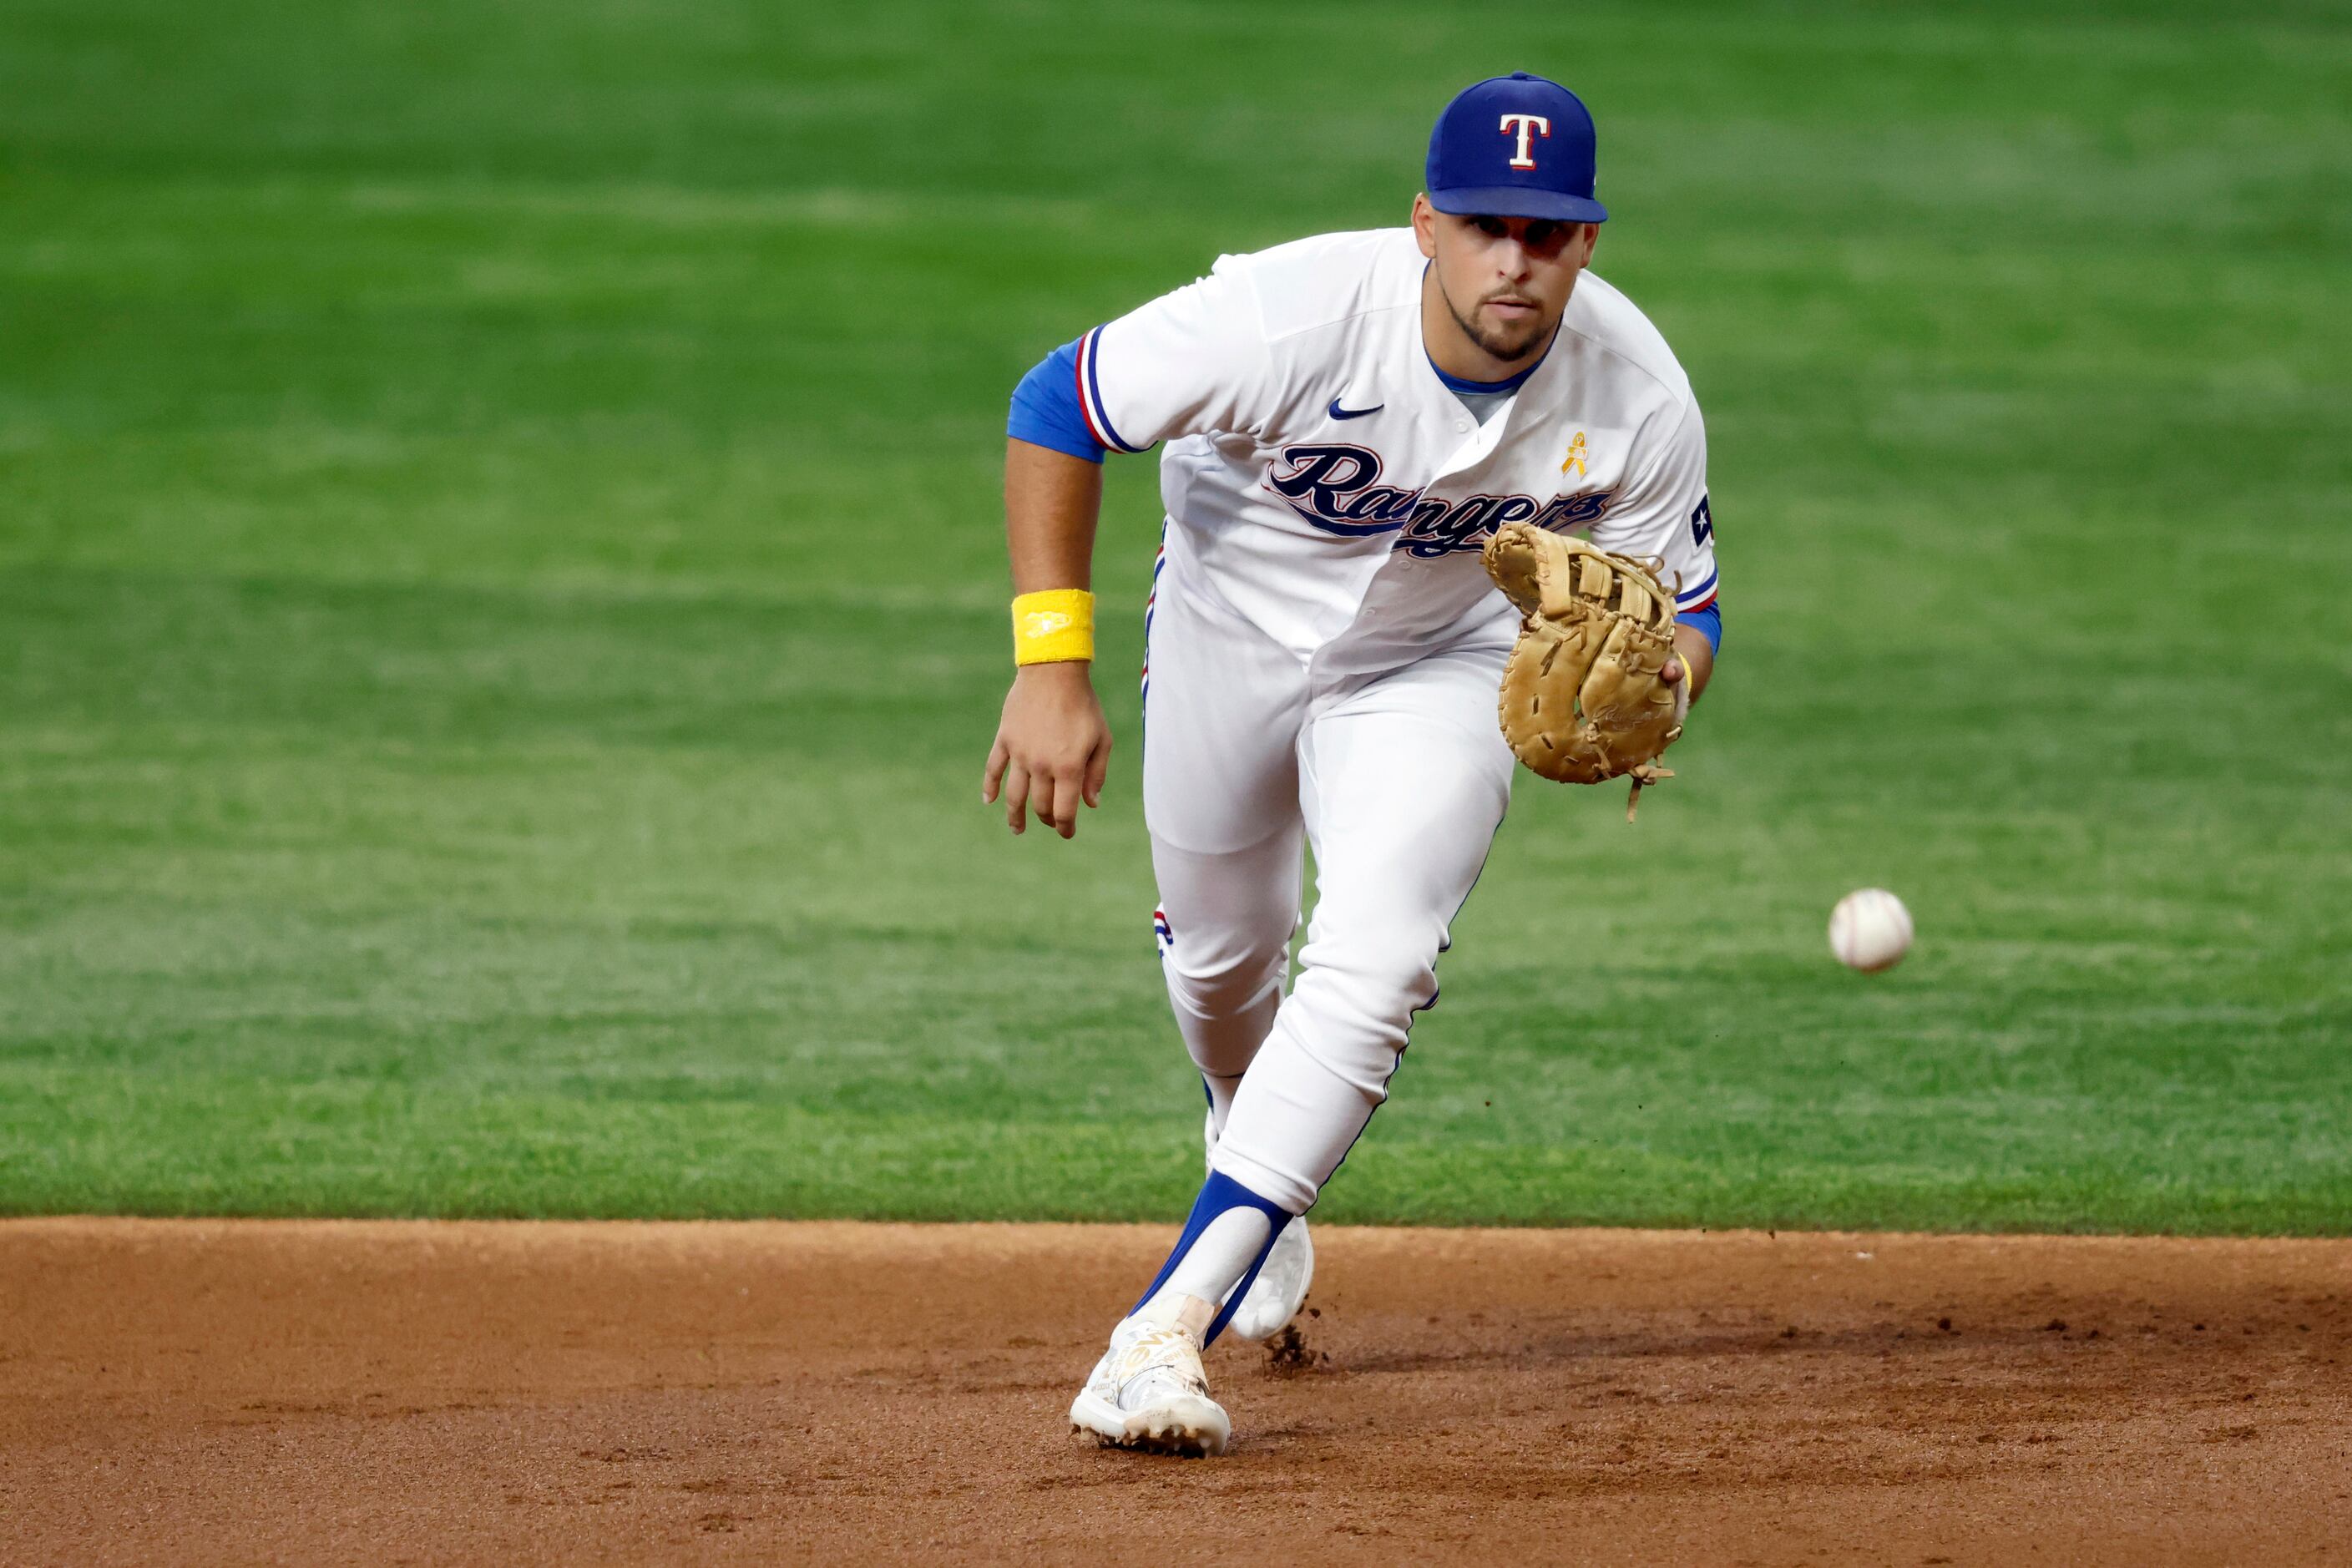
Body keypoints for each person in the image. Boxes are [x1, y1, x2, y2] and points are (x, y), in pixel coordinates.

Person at [983, 72, 1723, 1456]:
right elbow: (1056, 398)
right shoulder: (1291, 313)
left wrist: (1663, 682)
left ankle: (1160, 1328)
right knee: (1219, 963)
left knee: (1378, 959)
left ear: (1587, 241)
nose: (1516, 258)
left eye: (1549, 232)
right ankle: (1240, 1116)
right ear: (1425, 223)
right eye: (1488, 224)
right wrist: (1050, 665)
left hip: (1433, 671)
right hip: (1224, 632)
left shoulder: (1636, 390)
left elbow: (1688, 603)